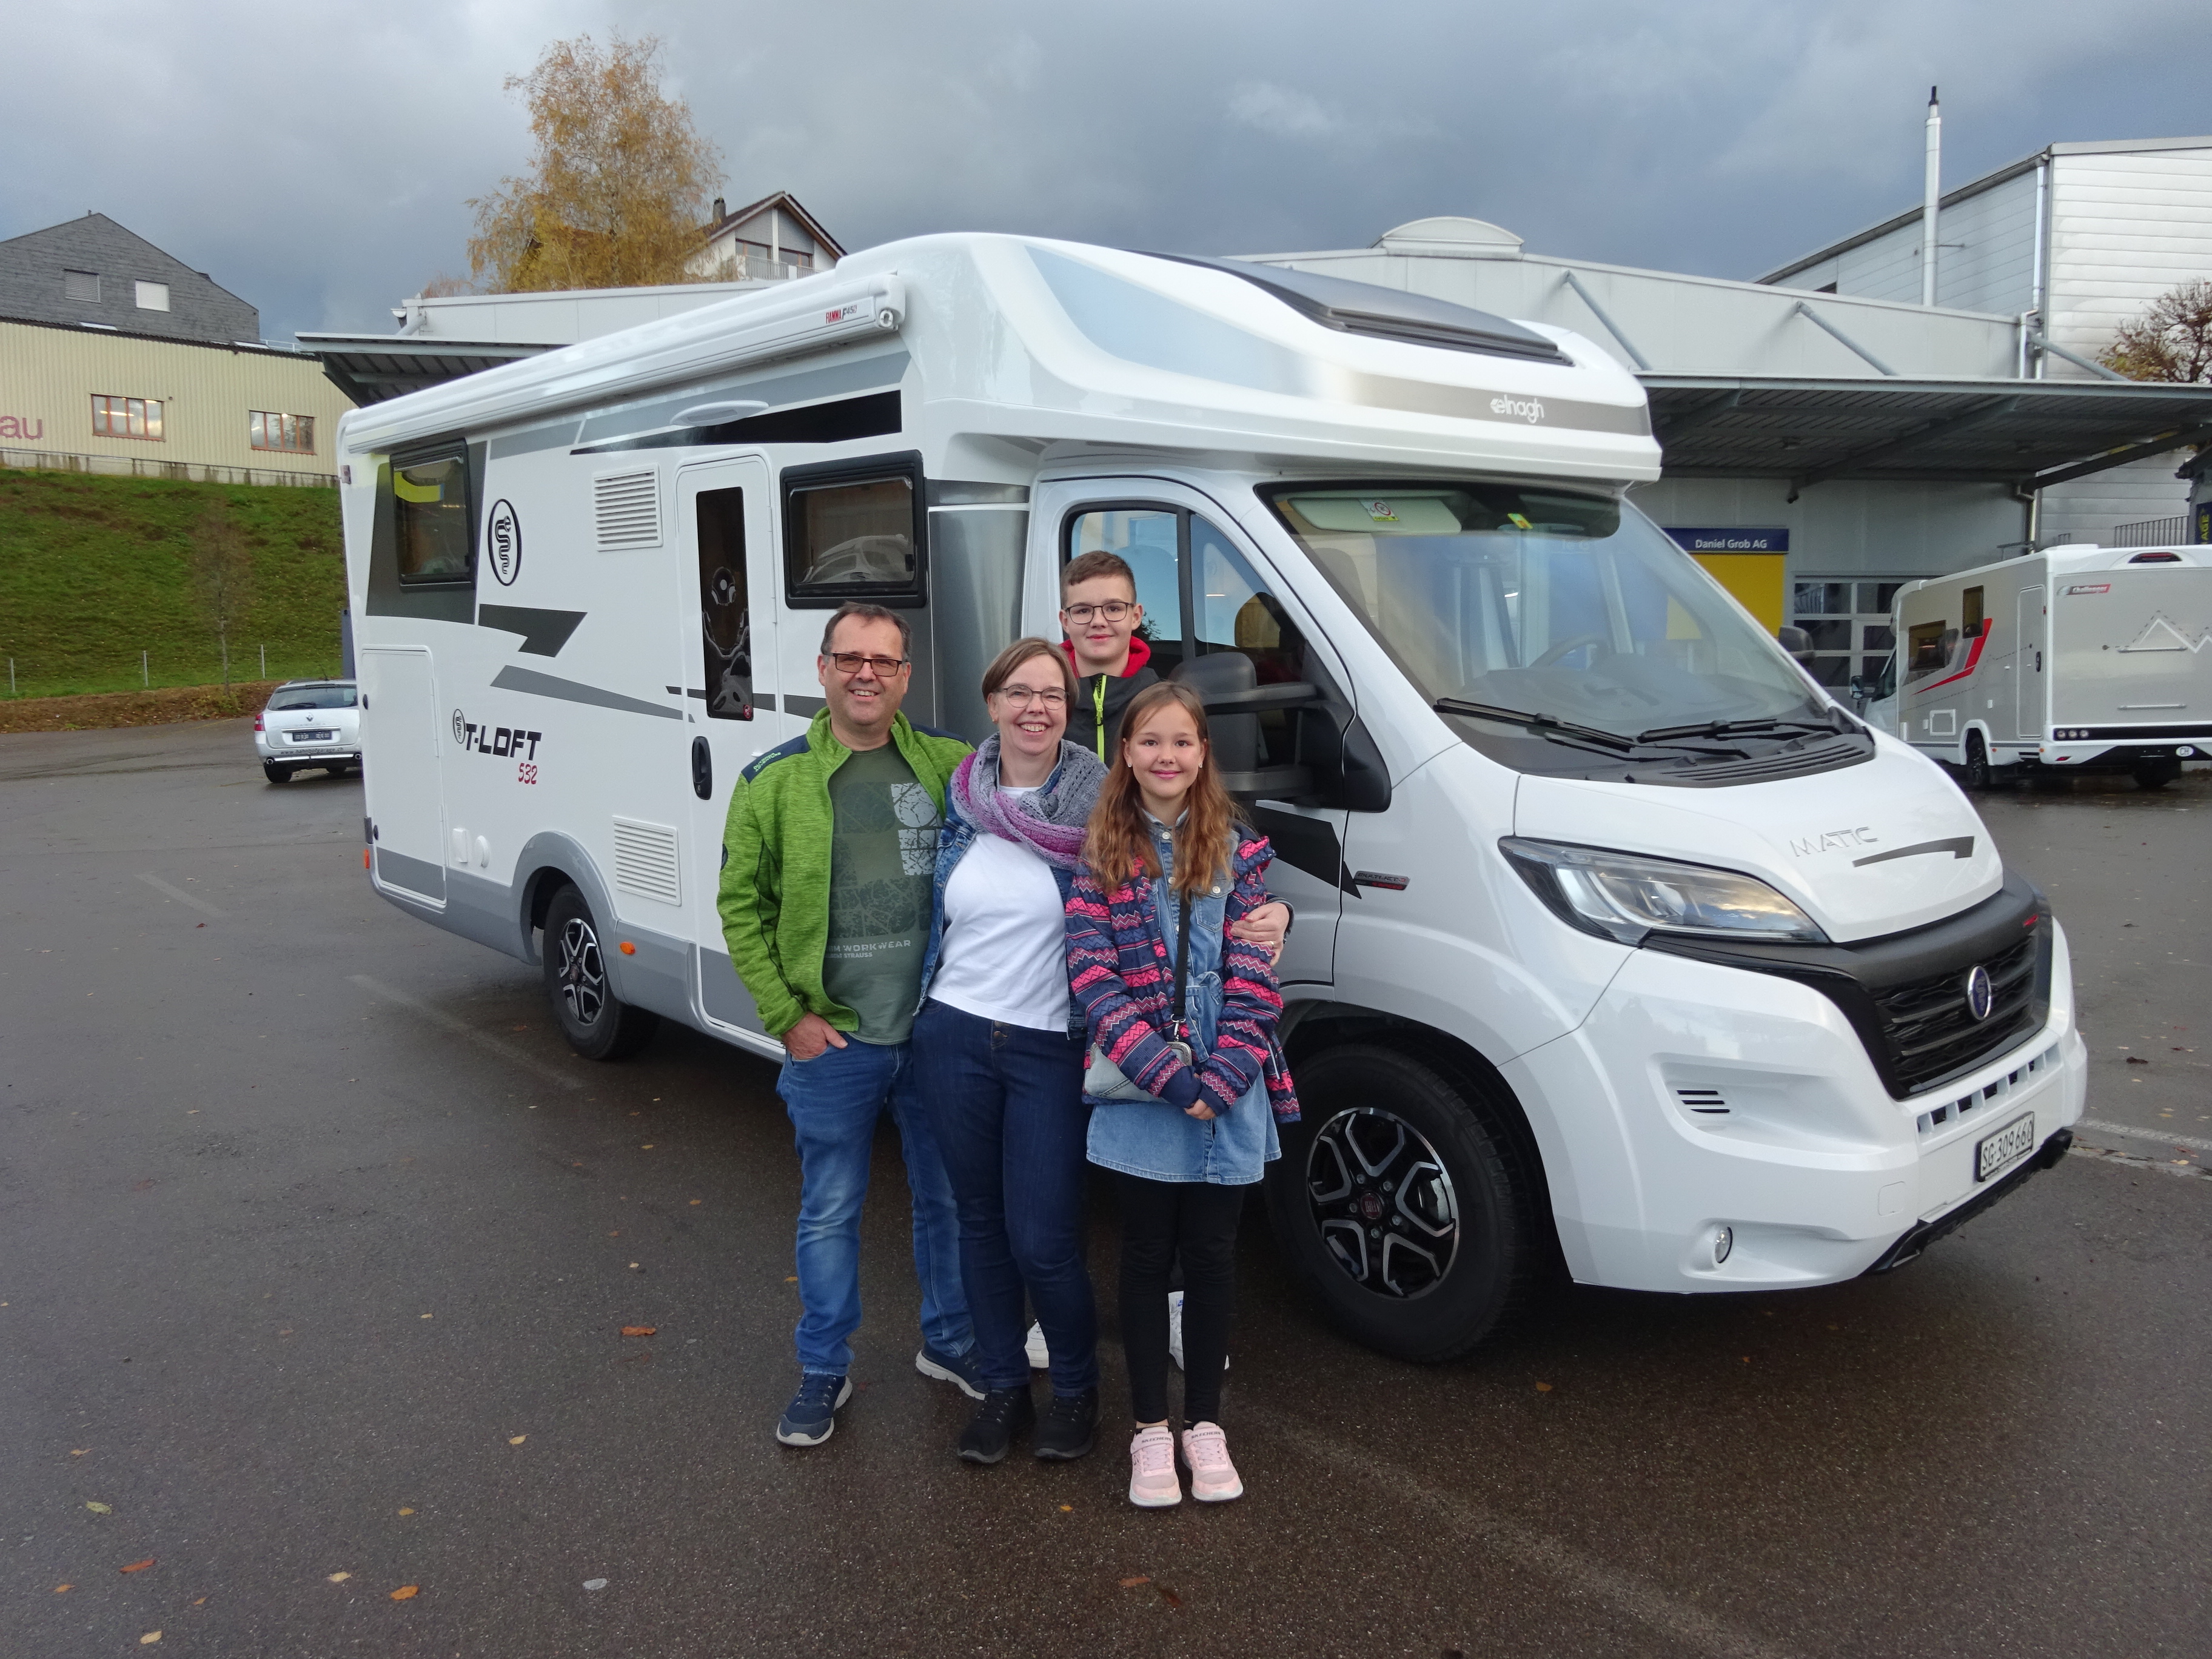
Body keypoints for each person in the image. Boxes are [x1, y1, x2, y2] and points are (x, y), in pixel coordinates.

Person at [911, 640, 1292, 1466]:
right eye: (1019, 692)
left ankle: (1079, 1392)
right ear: (992, 702)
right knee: (978, 1222)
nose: (1035, 707)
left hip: (1052, 1041)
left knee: (1045, 1237)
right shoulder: (960, 796)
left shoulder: (1096, 811)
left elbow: (1235, 929)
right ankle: (1004, 1386)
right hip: (955, 1031)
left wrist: (1277, 924)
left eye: (1051, 693)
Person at [717, 601, 982, 1447]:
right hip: (834, 1041)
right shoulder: (773, 781)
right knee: (831, 1211)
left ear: (906, 676)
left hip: (934, 1036)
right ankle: (823, 1368)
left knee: (946, 1202)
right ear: (823, 669)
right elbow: (740, 909)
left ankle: (950, 1342)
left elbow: (1036, 832)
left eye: (884, 661)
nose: (867, 673)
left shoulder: (951, 765)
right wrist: (785, 1017)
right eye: (850, 658)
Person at [1065, 682, 1299, 1509]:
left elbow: (1256, 976)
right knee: (1141, 1257)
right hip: (1143, 1093)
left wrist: (1225, 1075)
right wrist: (1170, 1079)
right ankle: (1150, 1429)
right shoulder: (1102, 855)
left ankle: (1205, 1422)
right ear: (1126, 755)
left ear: (1203, 756)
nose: (1166, 755)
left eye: (1182, 742)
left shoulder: (1241, 852)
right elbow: (1094, 980)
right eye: (1150, 741)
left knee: (1211, 1258)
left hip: (1230, 1091)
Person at [1059, 550, 1160, 761]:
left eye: (1113, 608)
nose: (1098, 621)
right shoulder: (1043, 702)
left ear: (1136, 616)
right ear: (1065, 621)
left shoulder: (1162, 702)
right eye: (1083, 610)